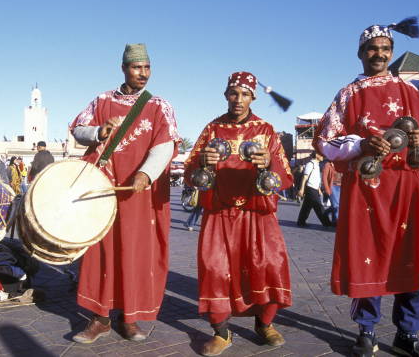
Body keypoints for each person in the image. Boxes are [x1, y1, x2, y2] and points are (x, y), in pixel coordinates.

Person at [314, 20, 419, 357]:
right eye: (373, 49)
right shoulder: (347, 94)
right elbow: (326, 142)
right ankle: (367, 331)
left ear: (391, 54)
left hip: (408, 186)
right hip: (368, 187)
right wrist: (360, 145)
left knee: (410, 256)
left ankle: (407, 334)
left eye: (385, 50)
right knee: (366, 258)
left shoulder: (410, 91)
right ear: (361, 53)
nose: (379, 54)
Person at [69, 43, 179, 343]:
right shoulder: (102, 100)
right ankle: (100, 317)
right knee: (100, 253)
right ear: (123, 69)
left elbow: (165, 143)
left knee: (136, 253)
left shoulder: (159, 106)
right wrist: (98, 132)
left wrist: (147, 173)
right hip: (104, 190)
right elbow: (78, 128)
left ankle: (130, 317)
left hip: (140, 195)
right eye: (136, 67)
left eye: (147, 68)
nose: (142, 73)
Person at [184, 71, 293, 356]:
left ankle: (264, 324)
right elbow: (190, 170)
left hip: (257, 213)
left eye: (245, 94)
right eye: (234, 93)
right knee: (215, 269)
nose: (238, 99)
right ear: (226, 95)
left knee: (268, 265)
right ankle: (221, 331)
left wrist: (268, 161)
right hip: (220, 213)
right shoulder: (212, 129)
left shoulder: (266, 130)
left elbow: (285, 173)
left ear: (253, 97)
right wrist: (203, 163)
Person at [296, 152, 332, 227]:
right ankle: (327, 223)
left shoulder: (317, 165)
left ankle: (301, 221)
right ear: (316, 155)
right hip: (310, 189)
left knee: (306, 206)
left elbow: (315, 178)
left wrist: (318, 189)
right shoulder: (310, 164)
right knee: (319, 206)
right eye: (321, 155)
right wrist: (301, 189)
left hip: (314, 188)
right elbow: (305, 177)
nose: (323, 156)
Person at [321, 160, 342, 226]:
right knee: (336, 205)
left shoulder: (342, 164)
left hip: (341, 187)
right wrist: (327, 189)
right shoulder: (328, 165)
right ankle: (337, 222)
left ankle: (326, 215)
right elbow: (324, 178)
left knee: (337, 206)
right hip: (333, 186)